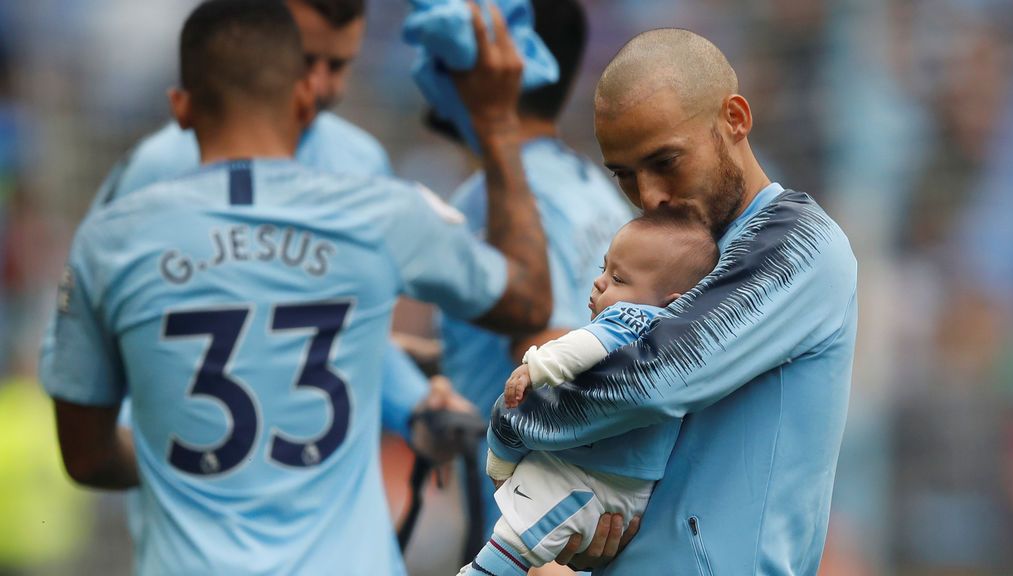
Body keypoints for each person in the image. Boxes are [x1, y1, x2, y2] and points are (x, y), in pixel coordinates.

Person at [40, 2, 550, 574]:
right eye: (312, 63)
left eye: (340, 64)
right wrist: (500, 123)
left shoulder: (112, 237)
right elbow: (526, 299)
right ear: (299, 92)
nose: (326, 83)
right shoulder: (380, 212)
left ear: (181, 107)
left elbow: (86, 449)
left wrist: (409, 404)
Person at [487, 28, 858, 573]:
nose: (650, 195)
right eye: (625, 175)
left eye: (666, 161)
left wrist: (509, 423)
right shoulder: (662, 249)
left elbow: (650, 380)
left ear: (735, 118)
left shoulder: (801, 244)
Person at [435, 0, 633, 551]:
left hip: (524, 529)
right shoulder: (595, 189)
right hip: (582, 518)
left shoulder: (491, 204)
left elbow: (547, 363)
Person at [462, 210, 719, 576]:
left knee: (522, 531)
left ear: (669, 300)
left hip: (598, 476)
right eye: (603, 269)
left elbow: (583, 344)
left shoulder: (639, 319)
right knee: (529, 515)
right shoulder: (678, 342)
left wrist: (536, 366)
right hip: (621, 478)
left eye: (617, 278)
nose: (599, 283)